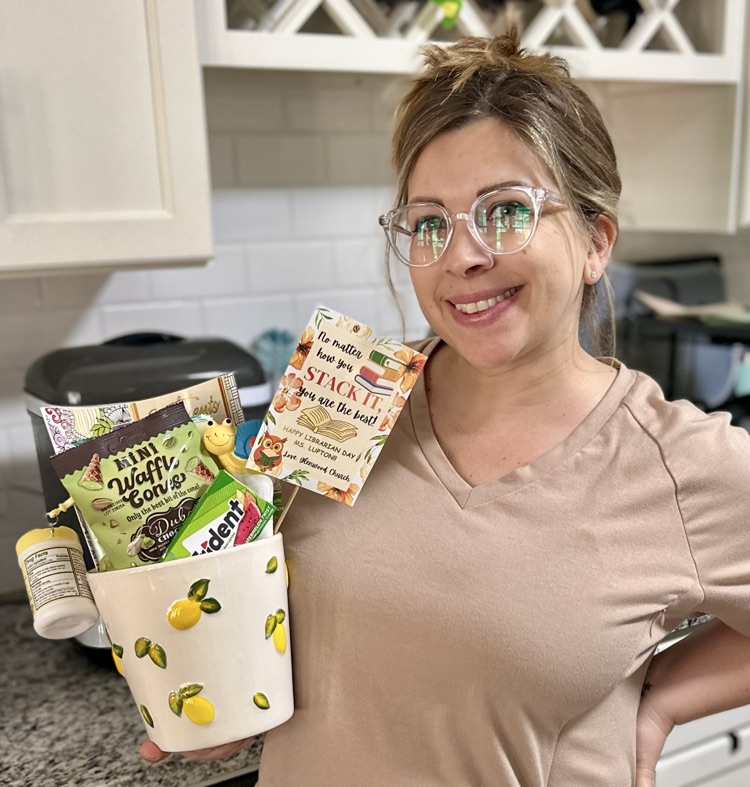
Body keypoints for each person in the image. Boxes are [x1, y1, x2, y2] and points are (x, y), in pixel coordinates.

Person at [140, 33, 750, 786]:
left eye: (505, 212)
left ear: (596, 241)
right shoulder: (343, 391)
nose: (462, 256)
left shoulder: (679, 463)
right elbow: (259, 598)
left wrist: (660, 700)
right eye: (429, 223)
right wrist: (224, 692)